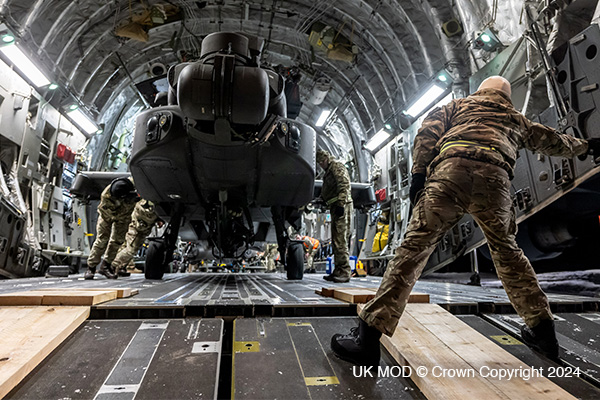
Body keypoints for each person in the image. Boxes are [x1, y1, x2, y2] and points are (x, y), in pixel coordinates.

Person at [330, 76, 600, 366]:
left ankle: (367, 339)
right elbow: (551, 140)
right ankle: (544, 334)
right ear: (506, 97)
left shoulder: (456, 106)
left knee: (413, 250)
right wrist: (585, 147)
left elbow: (426, 135)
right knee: (508, 255)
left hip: (450, 172)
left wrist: (419, 174)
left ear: (480, 90)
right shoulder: (515, 118)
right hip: (494, 180)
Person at [85, 178, 139, 279]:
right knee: (102, 241)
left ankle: (105, 266)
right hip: (107, 216)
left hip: (124, 217)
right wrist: (117, 218)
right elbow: (107, 214)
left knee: (117, 241)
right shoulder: (107, 195)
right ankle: (91, 267)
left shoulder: (137, 185)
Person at [316, 149, 353, 283]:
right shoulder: (329, 171)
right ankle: (338, 270)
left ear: (325, 159)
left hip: (341, 206)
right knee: (336, 240)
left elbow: (344, 185)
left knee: (340, 240)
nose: (320, 165)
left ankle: (344, 271)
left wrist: (341, 205)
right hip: (335, 206)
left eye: (321, 162)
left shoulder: (336, 166)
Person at [111, 199, 159, 277]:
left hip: (140, 226)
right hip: (138, 228)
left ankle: (119, 267)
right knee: (131, 250)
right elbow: (147, 213)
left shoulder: (146, 201)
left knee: (126, 246)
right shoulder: (147, 204)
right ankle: (112, 265)